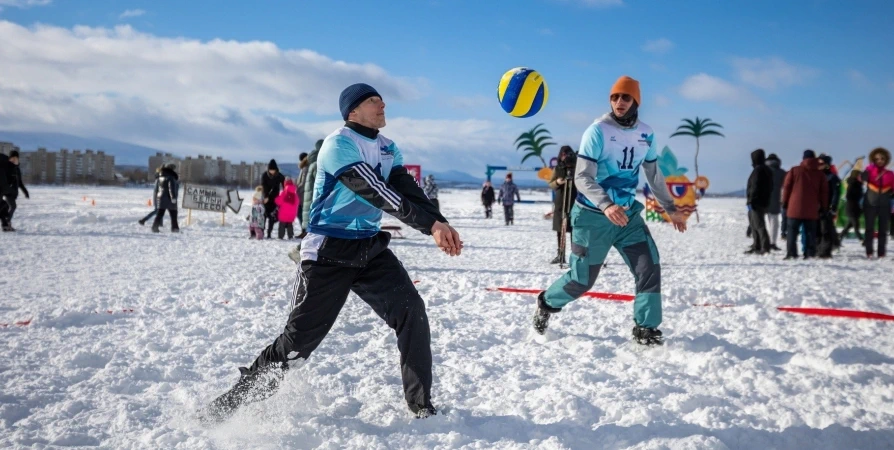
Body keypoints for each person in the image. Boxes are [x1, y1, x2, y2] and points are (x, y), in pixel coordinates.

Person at [202, 83, 463, 423]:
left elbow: (406, 189)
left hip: (370, 247)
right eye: (373, 100)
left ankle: (421, 405)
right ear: (352, 111)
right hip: (327, 251)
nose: (382, 103)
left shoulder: (388, 148)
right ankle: (228, 406)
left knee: (411, 310)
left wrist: (439, 220)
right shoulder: (338, 144)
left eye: (381, 99)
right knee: (297, 344)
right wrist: (429, 226)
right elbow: (375, 191)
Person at [533, 75, 686, 346]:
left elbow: (653, 173)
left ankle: (646, 328)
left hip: (628, 218)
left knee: (649, 268)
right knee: (582, 281)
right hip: (593, 218)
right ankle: (546, 303)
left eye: (625, 97)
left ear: (636, 100)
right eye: (615, 97)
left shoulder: (646, 133)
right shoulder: (598, 131)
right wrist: (606, 204)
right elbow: (582, 177)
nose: (619, 102)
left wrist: (670, 207)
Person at [782, 150, 828, 259]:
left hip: (794, 208)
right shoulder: (820, 174)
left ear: (803, 158)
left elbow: (787, 188)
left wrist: (784, 202)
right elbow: (824, 193)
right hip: (811, 209)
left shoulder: (794, 171)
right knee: (810, 233)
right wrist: (824, 207)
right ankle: (809, 253)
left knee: (792, 232)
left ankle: (791, 253)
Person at [548, 145, 577, 264]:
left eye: (568, 154)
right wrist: (558, 182)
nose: (566, 157)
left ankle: (576, 256)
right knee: (561, 228)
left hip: (574, 200)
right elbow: (551, 184)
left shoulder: (578, 167)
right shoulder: (558, 168)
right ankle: (560, 254)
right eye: (564, 154)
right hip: (561, 200)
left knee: (575, 230)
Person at [862, 147, 893, 258]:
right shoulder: (869, 171)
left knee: (883, 229)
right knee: (869, 228)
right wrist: (870, 168)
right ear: (873, 159)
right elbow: (862, 178)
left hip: (884, 204)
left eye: (882, 158)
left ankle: (881, 252)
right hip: (870, 203)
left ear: (886, 160)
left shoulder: (890, 174)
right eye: (877, 158)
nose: (880, 160)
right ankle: (869, 251)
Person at [745, 149, 773, 254]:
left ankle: (764, 246)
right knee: (754, 224)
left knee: (759, 225)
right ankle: (756, 245)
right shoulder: (764, 169)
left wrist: (751, 200)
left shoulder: (759, 170)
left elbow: (755, 187)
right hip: (761, 201)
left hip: (757, 202)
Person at [817, 154, 841, 258]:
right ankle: (818, 250)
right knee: (816, 230)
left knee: (826, 230)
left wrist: (833, 207)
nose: (819, 165)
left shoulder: (832, 177)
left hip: (827, 208)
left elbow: (836, 193)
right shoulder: (815, 176)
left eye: (821, 163)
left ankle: (826, 252)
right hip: (816, 207)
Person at [0, 150, 30, 232]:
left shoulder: (17, 170)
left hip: (11, 192)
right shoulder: (6, 167)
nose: (14, 160)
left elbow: (20, 182)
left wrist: (25, 191)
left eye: (16, 158)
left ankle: (5, 224)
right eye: (12, 158)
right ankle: (6, 222)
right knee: (8, 206)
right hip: (6, 191)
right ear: (9, 159)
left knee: (7, 206)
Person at [765, 153, 786, 250]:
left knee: (761, 222)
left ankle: (761, 242)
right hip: (776, 199)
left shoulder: (763, 170)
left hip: (763, 199)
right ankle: (772, 242)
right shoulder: (781, 172)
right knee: (774, 222)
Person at [151, 163, 179, 233]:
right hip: (169, 199)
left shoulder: (160, 177)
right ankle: (175, 228)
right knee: (173, 214)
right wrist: (173, 198)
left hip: (161, 198)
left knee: (160, 214)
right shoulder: (171, 177)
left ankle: (155, 227)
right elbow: (171, 188)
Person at [261, 160, 285, 239]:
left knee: (272, 217)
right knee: (264, 216)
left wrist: (285, 193)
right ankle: (262, 231)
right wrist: (266, 196)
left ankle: (269, 233)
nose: (272, 171)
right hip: (266, 198)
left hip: (275, 199)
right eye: (270, 170)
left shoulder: (279, 175)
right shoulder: (264, 175)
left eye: (273, 170)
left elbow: (284, 183)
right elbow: (263, 186)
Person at [839, 169, 864, 242]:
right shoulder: (853, 184)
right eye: (860, 175)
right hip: (852, 207)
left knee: (849, 226)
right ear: (856, 176)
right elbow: (848, 196)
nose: (861, 177)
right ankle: (861, 240)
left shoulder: (859, 185)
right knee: (856, 225)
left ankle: (838, 238)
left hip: (856, 208)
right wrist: (855, 200)